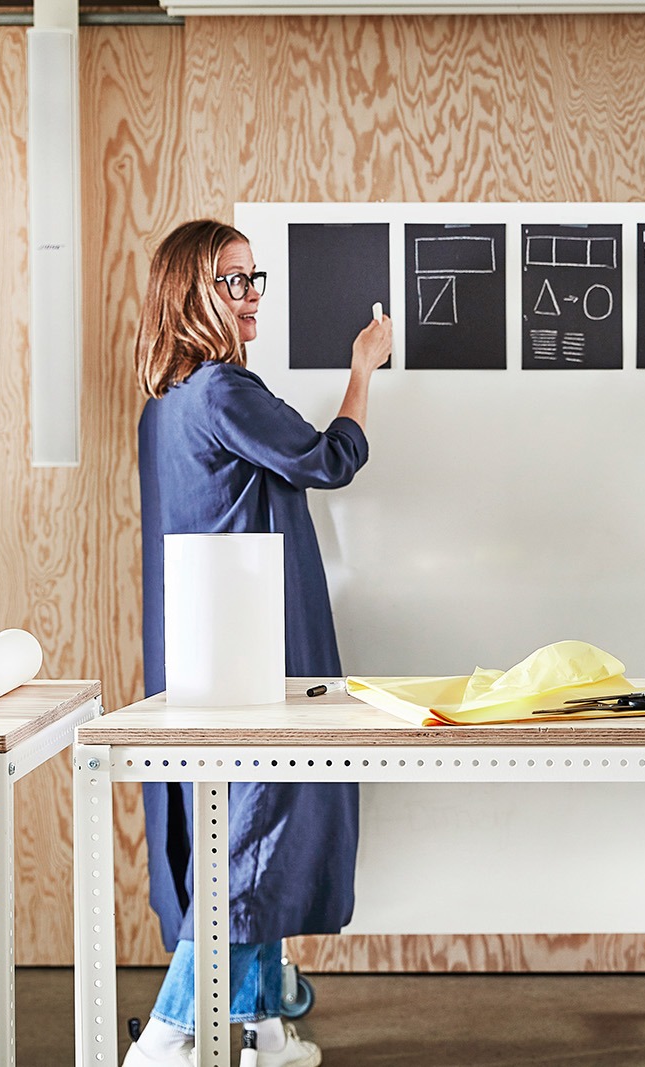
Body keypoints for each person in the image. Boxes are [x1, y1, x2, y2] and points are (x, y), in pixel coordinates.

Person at [126, 219, 391, 1067]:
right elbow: (328, 459)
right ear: (191, 293)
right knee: (251, 843)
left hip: (206, 652)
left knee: (242, 836)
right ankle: (169, 1036)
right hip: (253, 651)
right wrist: (362, 370)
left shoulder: (164, 404)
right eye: (231, 282)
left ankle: (262, 1028)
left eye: (253, 279)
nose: (249, 299)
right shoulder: (222, 393)